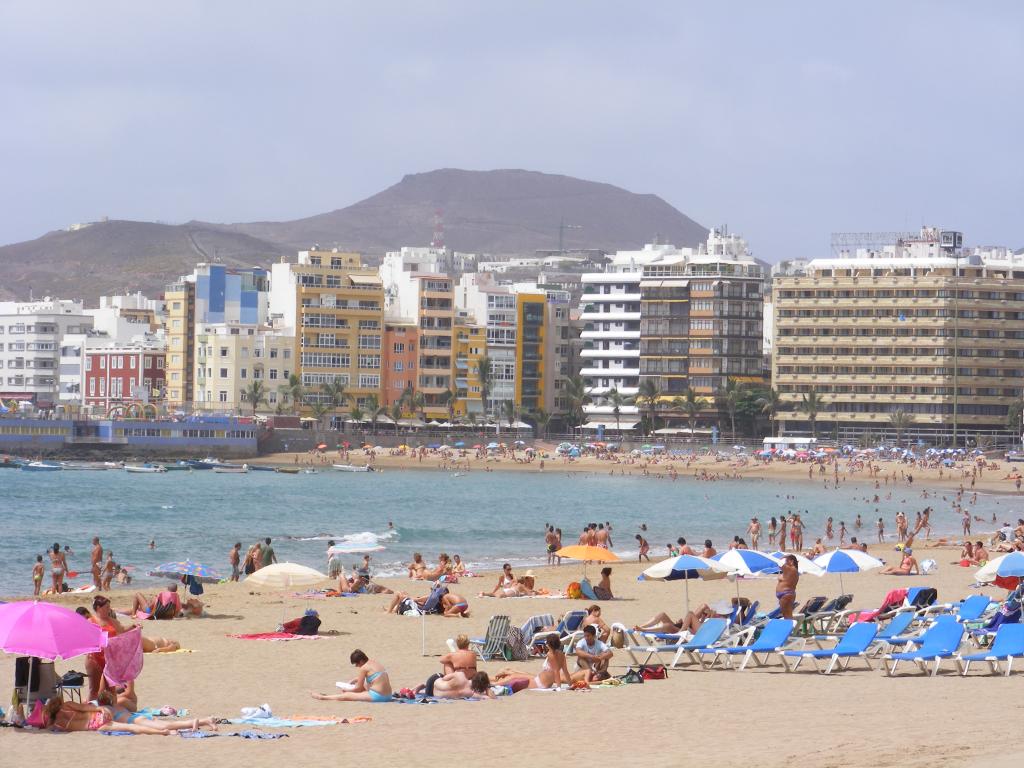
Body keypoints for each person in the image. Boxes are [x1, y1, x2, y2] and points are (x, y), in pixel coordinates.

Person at [44, 691, 217, 735]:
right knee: (133, 728)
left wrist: (100, 708)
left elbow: (86, 708)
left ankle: (165, 731)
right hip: (99, 722)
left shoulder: (61, 715)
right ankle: (165, 731)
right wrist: (100, 708)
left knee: (133, 728)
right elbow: (86, 708)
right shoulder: (57, 719)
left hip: (98, 721)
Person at [493, 634, 572, 690]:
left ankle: (493, 684)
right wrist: (570, 684)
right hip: (540, 680)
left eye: (546, 642)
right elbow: (565, 671)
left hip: (540, 683)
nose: (545, 644)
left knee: (513, 677)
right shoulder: (561, 655)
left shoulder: (551, 655)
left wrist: (558, 687)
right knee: (515, 674)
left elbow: (556, 671)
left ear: (549, 644)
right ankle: (505, 672)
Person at [311, 649, 393, 702]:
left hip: (378, 696)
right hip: (388, 695)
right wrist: (354, 680)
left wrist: (347, 690)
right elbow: (373, 677)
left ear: (361, 661)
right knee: (364, 686)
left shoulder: (364, 668)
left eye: (356, 664)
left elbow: (358, 688)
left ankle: (323, 697)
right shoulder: (374, 663)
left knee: (347, 696)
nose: (357, 666)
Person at [85, 595, 126, 700]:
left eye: (109, 607)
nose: (109, 609)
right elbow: (86, 640)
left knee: (111, 689)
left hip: (110, 660)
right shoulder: (90, 621)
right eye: (107, 607)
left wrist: (134, 628)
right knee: (94, 689)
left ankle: (113, 711)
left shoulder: (112, 621)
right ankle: (91, 713)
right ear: (98, 608)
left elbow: (122, 631)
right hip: (94, 658)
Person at [416, 670, 493, 699]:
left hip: (433, 680)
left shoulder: (461, 675)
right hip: (431, 694)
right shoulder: (471, 694)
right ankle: (424, 687)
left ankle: (425, 684)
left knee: (442, 678)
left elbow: (444, 678)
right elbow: (492, 698)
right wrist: (487, 687)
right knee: (447, 689)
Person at [776, 554, 799, 619]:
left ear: (791, 561)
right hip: (786, 594)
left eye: (786, 561)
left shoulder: (791, 569)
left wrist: (782, 557)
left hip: (786, 594)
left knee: (787, 617)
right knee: (786, 616)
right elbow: (780, 566)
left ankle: (791, 629)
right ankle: (792, 628)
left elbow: (779, 564)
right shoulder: (790, 570)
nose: (785, 562)